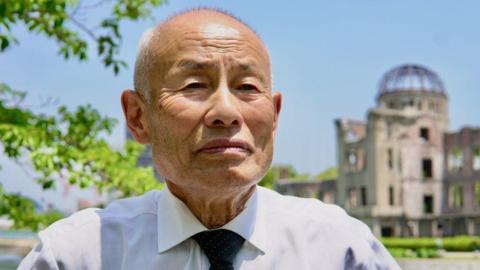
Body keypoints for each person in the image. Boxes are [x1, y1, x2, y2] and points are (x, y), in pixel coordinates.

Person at [19, 8, 400, 270]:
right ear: (138, 117)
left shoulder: (340, 248)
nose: (226, 111)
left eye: (248, 86)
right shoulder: (77, 255)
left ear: (275, 114)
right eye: (195, 85)